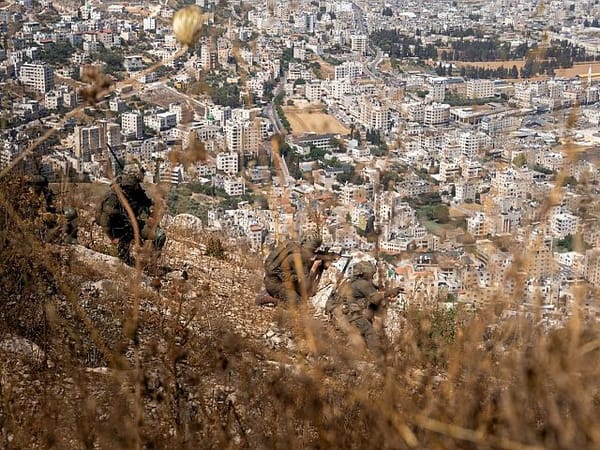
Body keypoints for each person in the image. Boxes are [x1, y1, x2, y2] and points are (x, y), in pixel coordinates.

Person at [96, 162, 165, 266]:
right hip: (119, 230)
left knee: (159, 235)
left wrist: (155, 208)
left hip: (134, 225)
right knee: (123, 261)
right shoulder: (114, 196)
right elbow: (105, 222)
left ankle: (152, 262)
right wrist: (112, 238)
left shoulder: (137, 191)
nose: (134, 187)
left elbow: (147, 203)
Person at [326, 260, 401, 353]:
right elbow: (374, 298)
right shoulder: (362, 283)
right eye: (370, 273)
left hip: (340, 314)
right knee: (369, 331)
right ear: (364, 273)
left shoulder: (349, 281)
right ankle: (377, 356)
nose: (372, 276)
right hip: (350, 315)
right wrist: (391, 292)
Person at [259, 232, 324, 305]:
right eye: (313, 250)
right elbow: (306, 285)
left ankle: (270, 292)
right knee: (300, 303)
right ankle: (269, 299)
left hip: (272, 280)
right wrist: (314, 267)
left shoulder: (292, 246)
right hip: (277, 285)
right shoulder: (300, 257)